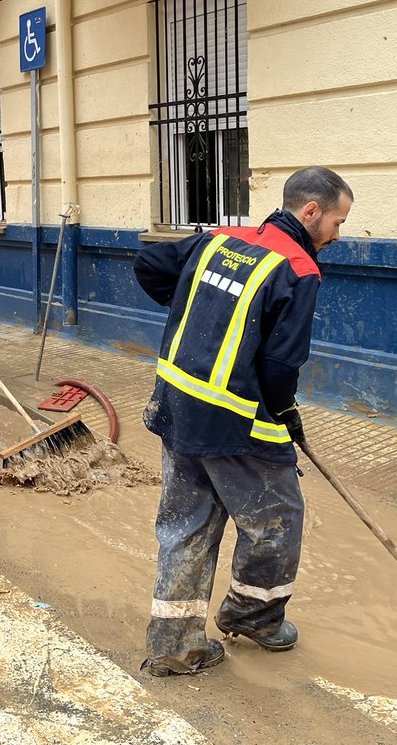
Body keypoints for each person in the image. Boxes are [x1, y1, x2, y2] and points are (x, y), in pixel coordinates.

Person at [132, 166, 353, 677]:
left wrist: (196, 303)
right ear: (311, 211)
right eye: (337, 223)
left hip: (176, 404)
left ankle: (174, 644)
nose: (337, 236)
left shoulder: (218, 239)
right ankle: (254, 616)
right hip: (234, 422)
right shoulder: (297, 269)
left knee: (186, 525)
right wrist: (289, 415)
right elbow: (280, 368)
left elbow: (148, 262)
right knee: (276, 521)